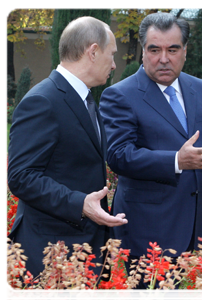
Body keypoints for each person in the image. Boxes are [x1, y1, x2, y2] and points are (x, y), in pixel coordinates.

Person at [100, 12, 202, 299]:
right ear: (143, 51)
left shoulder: (199, 88)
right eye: (154, 50)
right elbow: (118, 155)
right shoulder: (120, 95)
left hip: (190, 220)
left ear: (185, 51)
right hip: (147, 227)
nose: (163, 58)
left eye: (173, 49)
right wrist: (175, 161)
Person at [7, 16, 128, 279]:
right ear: (93, 52)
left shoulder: (86, 98)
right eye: (112, 54)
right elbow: (20, 177)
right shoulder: (42, 101)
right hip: (51, 254)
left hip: (84, 250)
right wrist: (80, 203)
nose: (115, 64)